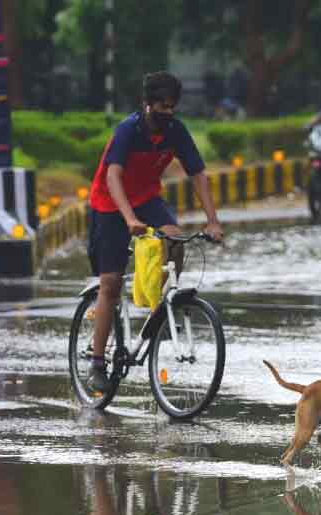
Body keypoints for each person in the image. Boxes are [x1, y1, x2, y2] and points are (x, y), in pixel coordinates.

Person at [86, 71, 224, 393]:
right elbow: (113, 178)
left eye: (173, 107)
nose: (169, 113)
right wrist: (129, 218)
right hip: (110, 205)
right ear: (146, 105)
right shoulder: (128, 131)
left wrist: (213, 220)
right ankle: (96, 362)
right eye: (162, 106)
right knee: (111, 283)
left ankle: (161, 305)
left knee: (174, 237)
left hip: (147, 199)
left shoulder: (175, 131)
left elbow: (198, 174)